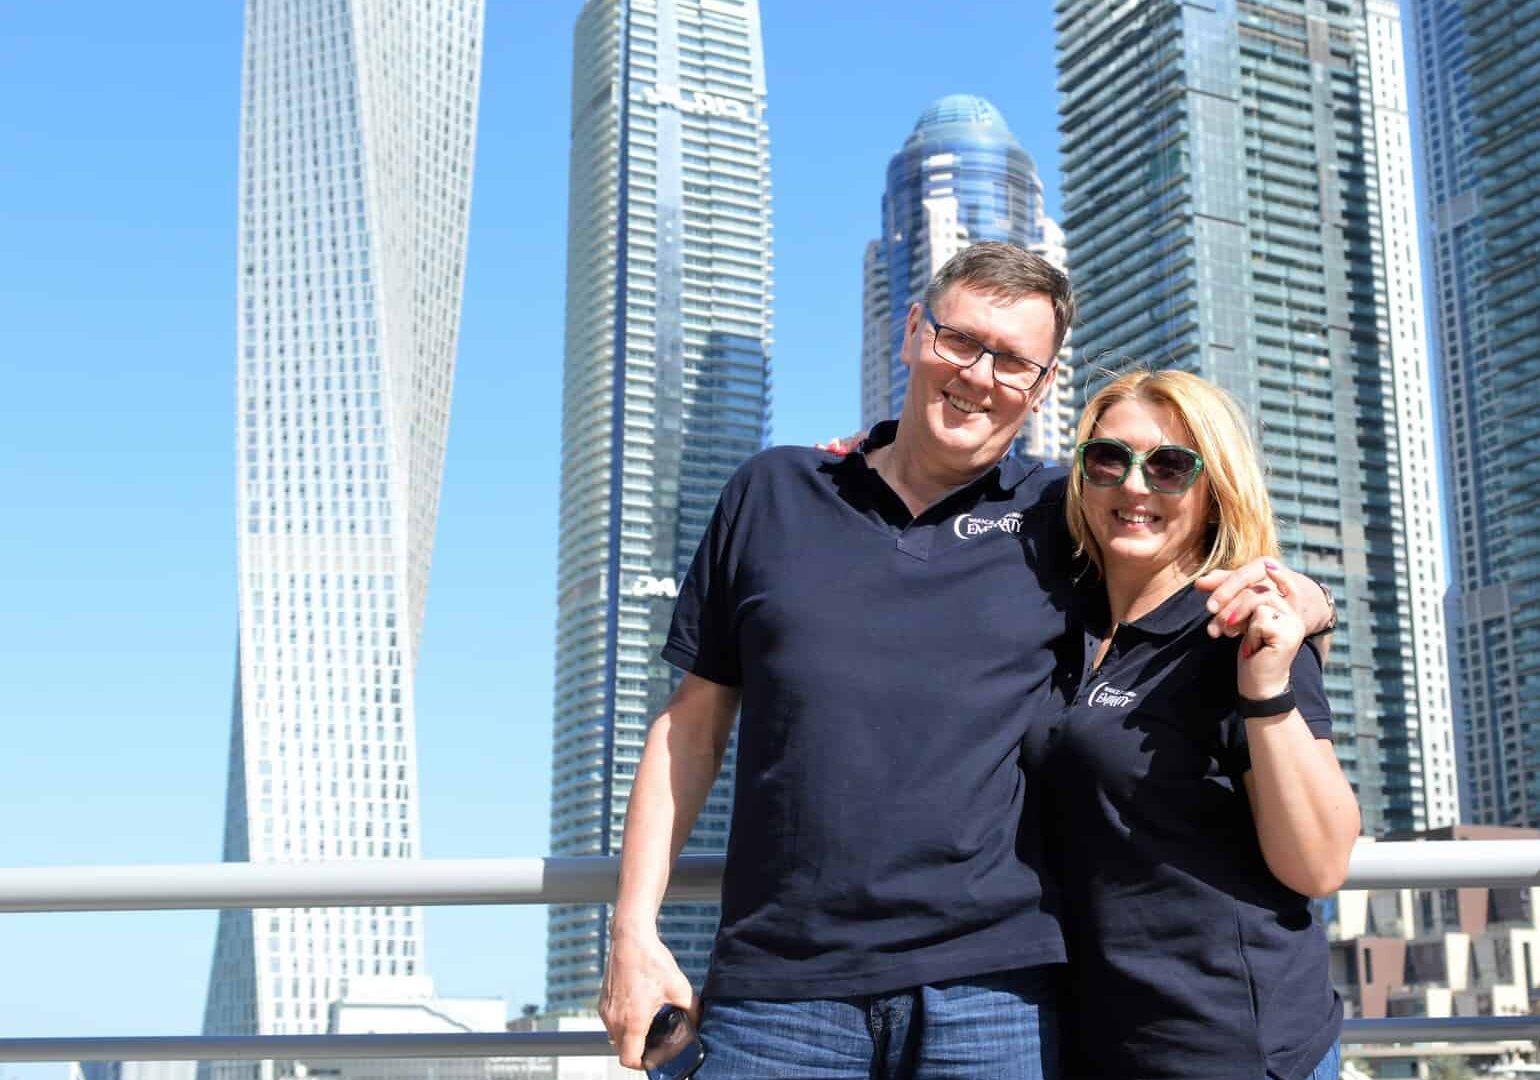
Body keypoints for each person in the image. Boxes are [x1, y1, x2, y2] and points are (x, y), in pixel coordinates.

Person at [598, 242, 1333, 1079]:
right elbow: (689, 729)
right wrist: (632, 930)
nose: (980, 376)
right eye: (960, 341)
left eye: (1014, 361)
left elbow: (1182, 553)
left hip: (995, 997)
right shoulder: (773, 492)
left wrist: (1314, 601)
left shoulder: (1066, 514)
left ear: (1042, 387)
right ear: (914, 329)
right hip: (779, 994)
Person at [1025, 368, 1359, 1080]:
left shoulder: (1244, 632)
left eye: (1170, 466)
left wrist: (1266, 687)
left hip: (1225, 1047)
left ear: (1214, 494)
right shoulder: (1063, 626)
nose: (1134, 486)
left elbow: (1321, 863)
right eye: (1107, 459)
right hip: (1095, 1044)